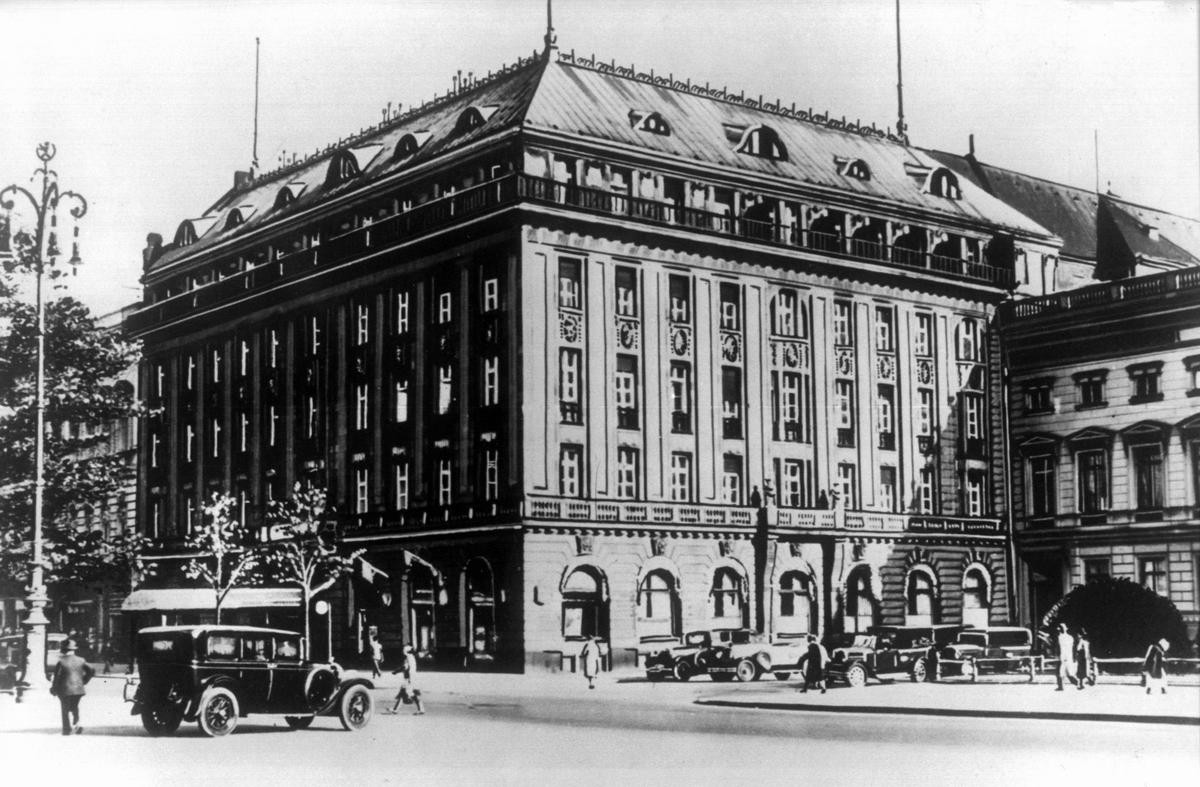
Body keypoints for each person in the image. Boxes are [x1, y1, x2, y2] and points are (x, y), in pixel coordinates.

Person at [50, 639, 94, 735]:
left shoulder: (61, 661)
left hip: (64, 689)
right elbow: (91, 671)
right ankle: (77, 723)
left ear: (64, 650)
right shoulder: (81, 660)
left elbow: (57, 677)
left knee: (65, 709)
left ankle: (67, 729)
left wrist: (53, 689)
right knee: (74, 706)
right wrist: (84, 681)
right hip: (78, 689)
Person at [388, 644, 425, 714]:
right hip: (413, 677)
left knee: (409, 694)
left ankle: (395, 709)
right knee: (406, 693)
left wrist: (396, 671)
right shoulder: (412, 657)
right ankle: (396, 709)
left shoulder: (407, 658)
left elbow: (405, 667)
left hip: (408, 679)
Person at [1055, 623, 1077, 691]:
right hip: (1068, 656)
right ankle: (1077, 683)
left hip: (1062, 656)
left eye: (1061, 627)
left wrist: (1057, 655)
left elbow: (1058, 648)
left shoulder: (1059, 637)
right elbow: (1073, 648)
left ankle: (1061, 686)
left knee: (1060, 672)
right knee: (1068, 673)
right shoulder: (1070, 637)